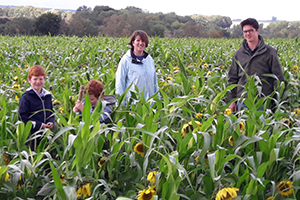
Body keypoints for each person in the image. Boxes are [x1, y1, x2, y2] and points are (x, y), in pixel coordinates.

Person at [227, 18, 285, 112]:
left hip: (263, 102)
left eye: (250, 31)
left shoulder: (269, 52)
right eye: (245, 31)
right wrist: (231, 101)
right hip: (243, 102)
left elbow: (278, 79)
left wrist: (277, 101)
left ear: (257, 31)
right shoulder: (238, 54)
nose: (247, 34)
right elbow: (232, 79)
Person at [115, 30, 160, 103]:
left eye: (143, 41)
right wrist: (121, 105)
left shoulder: (149, 59)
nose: (141, 43)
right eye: (138, 40)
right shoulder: (126, 60)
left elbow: (155, 82)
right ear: (133, 43)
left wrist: (158, 101)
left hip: (150, 105)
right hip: (133, 106)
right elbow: (120, 83)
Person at [19, 65, 55, 134]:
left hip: (47, 133)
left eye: (41, 79)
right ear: (29, 80)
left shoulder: (47, 96)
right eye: (35, 79)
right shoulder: (26, 97)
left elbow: (51, 112)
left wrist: (51, 122)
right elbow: (23, 117)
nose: (38, 82)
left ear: (44, 80)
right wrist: (40, 125)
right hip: (32, 135)